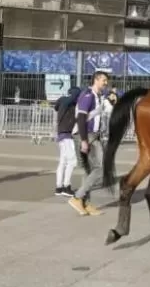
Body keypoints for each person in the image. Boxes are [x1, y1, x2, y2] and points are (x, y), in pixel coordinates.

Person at [68, 71, 110, 216]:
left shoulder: (98, 97)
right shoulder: (88, 95)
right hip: (86, 136)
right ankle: (77, 197)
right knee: (100, 168)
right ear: (96, 80)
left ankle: (86, 203)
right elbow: (81, 118)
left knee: (89, 171)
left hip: (93, 136)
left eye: (106, 80)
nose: (106, 83)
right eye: (104, 80)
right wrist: (84, 140)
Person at [54, 86, 82, 197]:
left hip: (64, 135)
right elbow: (71, 98)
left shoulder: (67, 105)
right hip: (65, 136)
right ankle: (66, 186)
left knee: (63, 162)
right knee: (72, 161)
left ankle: (59, 187)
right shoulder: (65, 101)